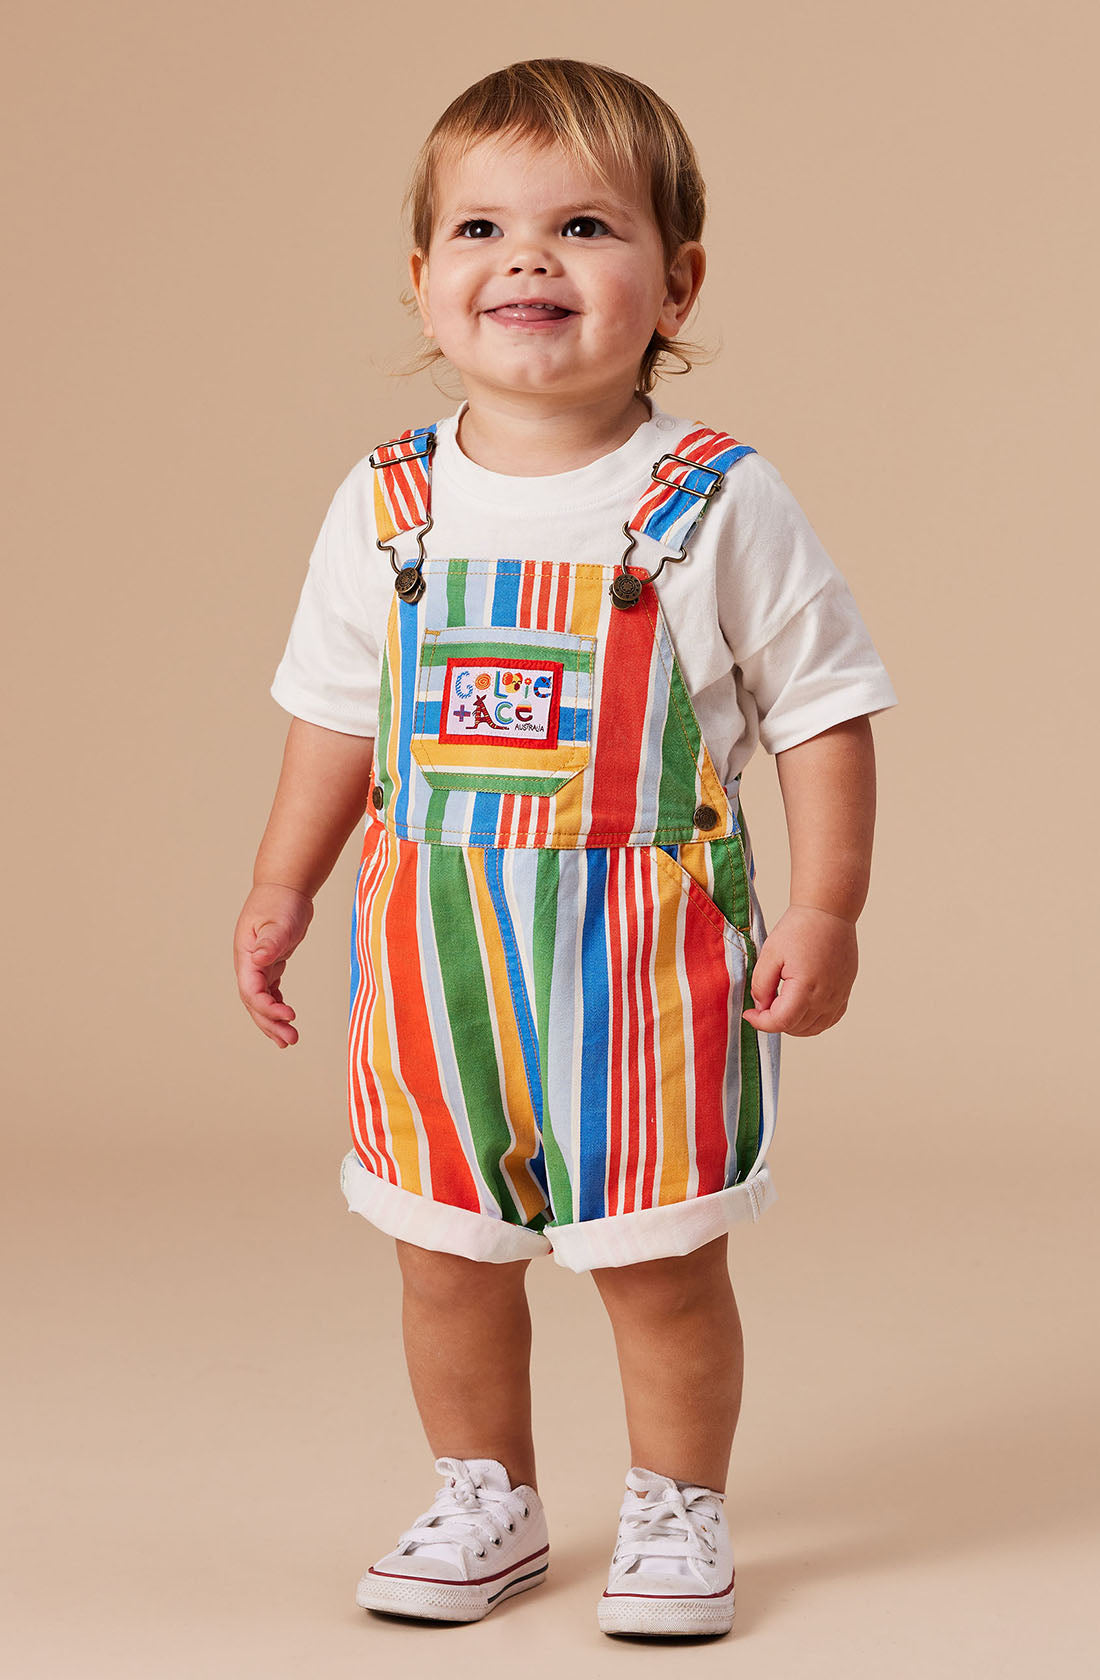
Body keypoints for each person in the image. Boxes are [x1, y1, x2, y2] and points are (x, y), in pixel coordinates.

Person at [233, 58, 897, 1640]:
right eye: (480, 226)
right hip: (429, 954)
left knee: (657, 1263)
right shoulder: (386, 505)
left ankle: (678, 1505)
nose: (525, 259)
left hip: (647, 967)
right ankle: (488, 1495)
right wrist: (281, 884)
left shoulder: (717, 500)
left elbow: (826, 711)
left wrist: (831, 903)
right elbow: (335, 714)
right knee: (445, 1257)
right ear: (423, 281)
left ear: (674, 284)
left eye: (582, 225)